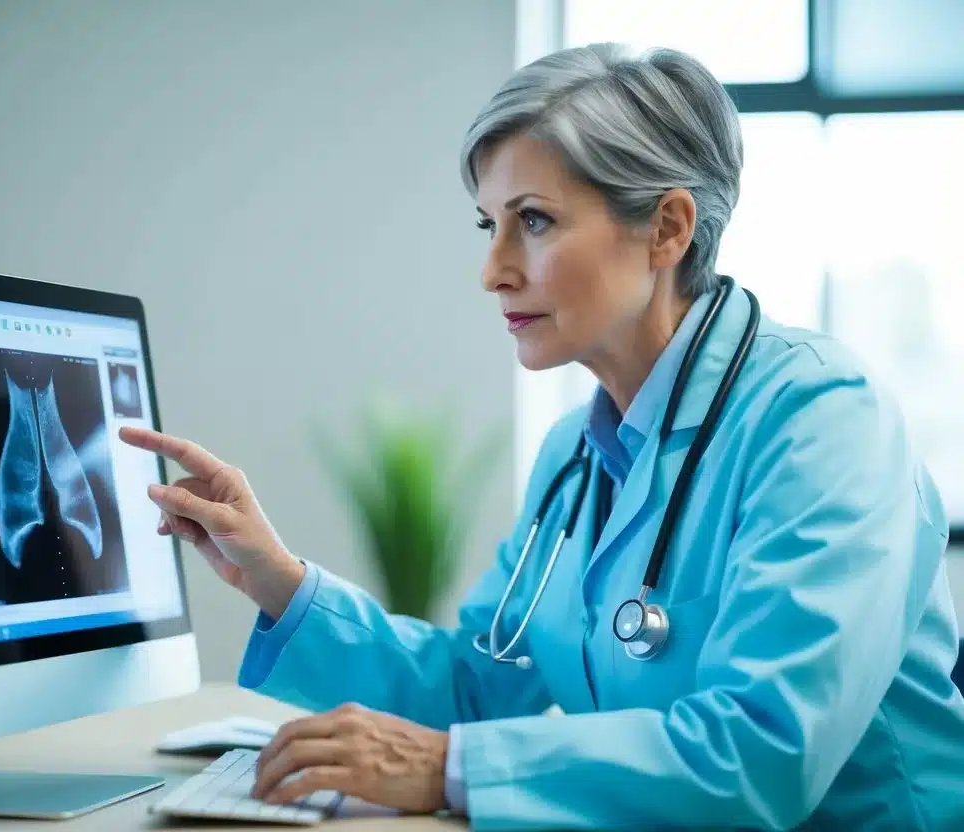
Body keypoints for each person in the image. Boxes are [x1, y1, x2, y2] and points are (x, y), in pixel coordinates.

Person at [120, 42, 964, 830]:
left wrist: (447, 767)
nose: (493, 272)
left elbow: (762, 755)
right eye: (487, 225)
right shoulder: (575, 457)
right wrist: (277, 580)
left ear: (667, 228)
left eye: (533, 221)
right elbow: (478, 689)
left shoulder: (821, 421)